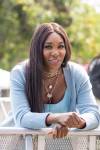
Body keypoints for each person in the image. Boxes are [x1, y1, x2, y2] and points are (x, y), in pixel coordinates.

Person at [10, 22, 100, 138]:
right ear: (37, 49)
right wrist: (56, 118)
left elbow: (93, 114)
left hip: (62, 142)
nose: (56, 53)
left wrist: (75, 122)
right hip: (22, 142)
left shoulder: (76, 73)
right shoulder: (20, 73)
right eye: (48, 47)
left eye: (61, 46)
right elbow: (22, 117)